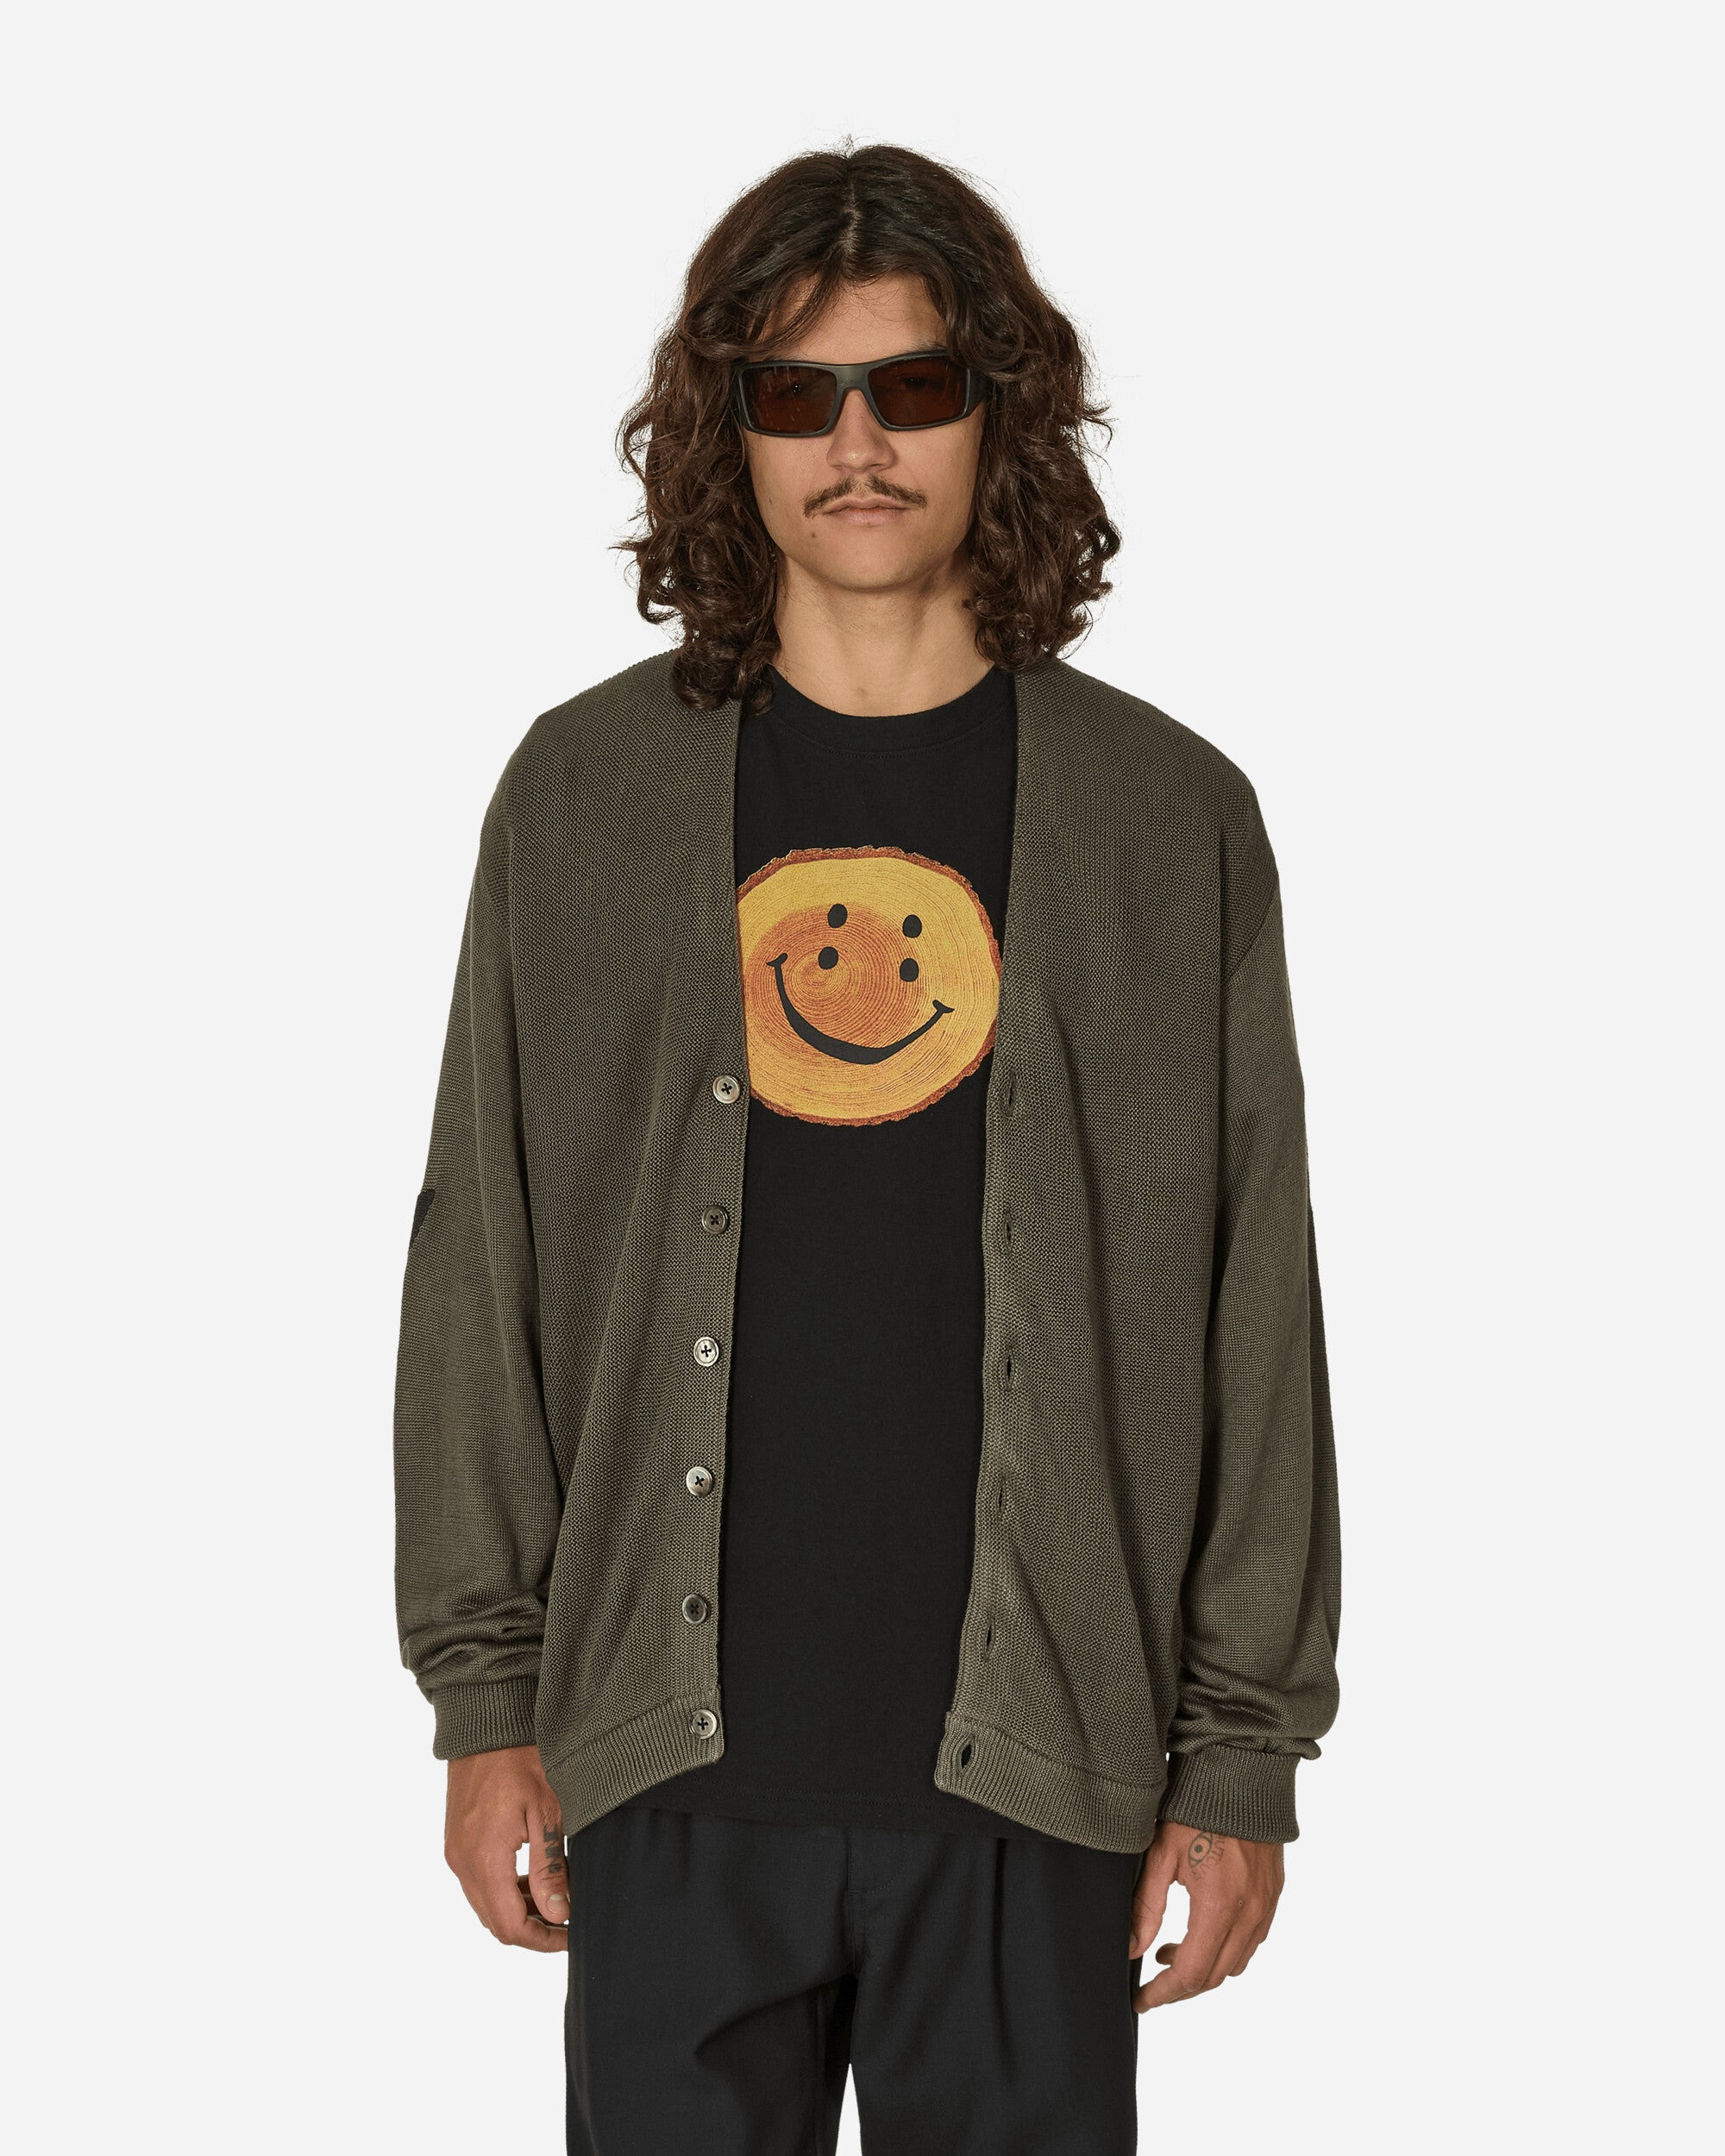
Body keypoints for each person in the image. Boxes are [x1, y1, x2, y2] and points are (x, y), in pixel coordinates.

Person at [394, 141, 1340, 2155]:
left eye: (912, 385)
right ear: (722, 429)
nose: (855, 442)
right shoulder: (580, 795)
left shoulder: (1167, 820)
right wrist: (487, 1696)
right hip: (666, 1764)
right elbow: (482, 1245)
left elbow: (1255, 1297)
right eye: (794, 392)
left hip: (1039, 1768)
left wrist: (1240, 1749)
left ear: (998, 414)